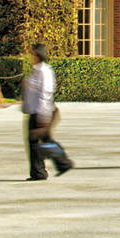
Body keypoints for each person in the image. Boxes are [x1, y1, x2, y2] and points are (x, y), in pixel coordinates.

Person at [21, 45, 72, 180]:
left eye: (32, 54)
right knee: (42, 140)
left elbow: (46, 93)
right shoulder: (36, 71)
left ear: (37, 56)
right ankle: (60, 164)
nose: (30, 57)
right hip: (34, 111)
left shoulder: (44, 71)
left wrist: (43, 115)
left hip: (40, 111)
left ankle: (43, 170)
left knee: (35, 141)